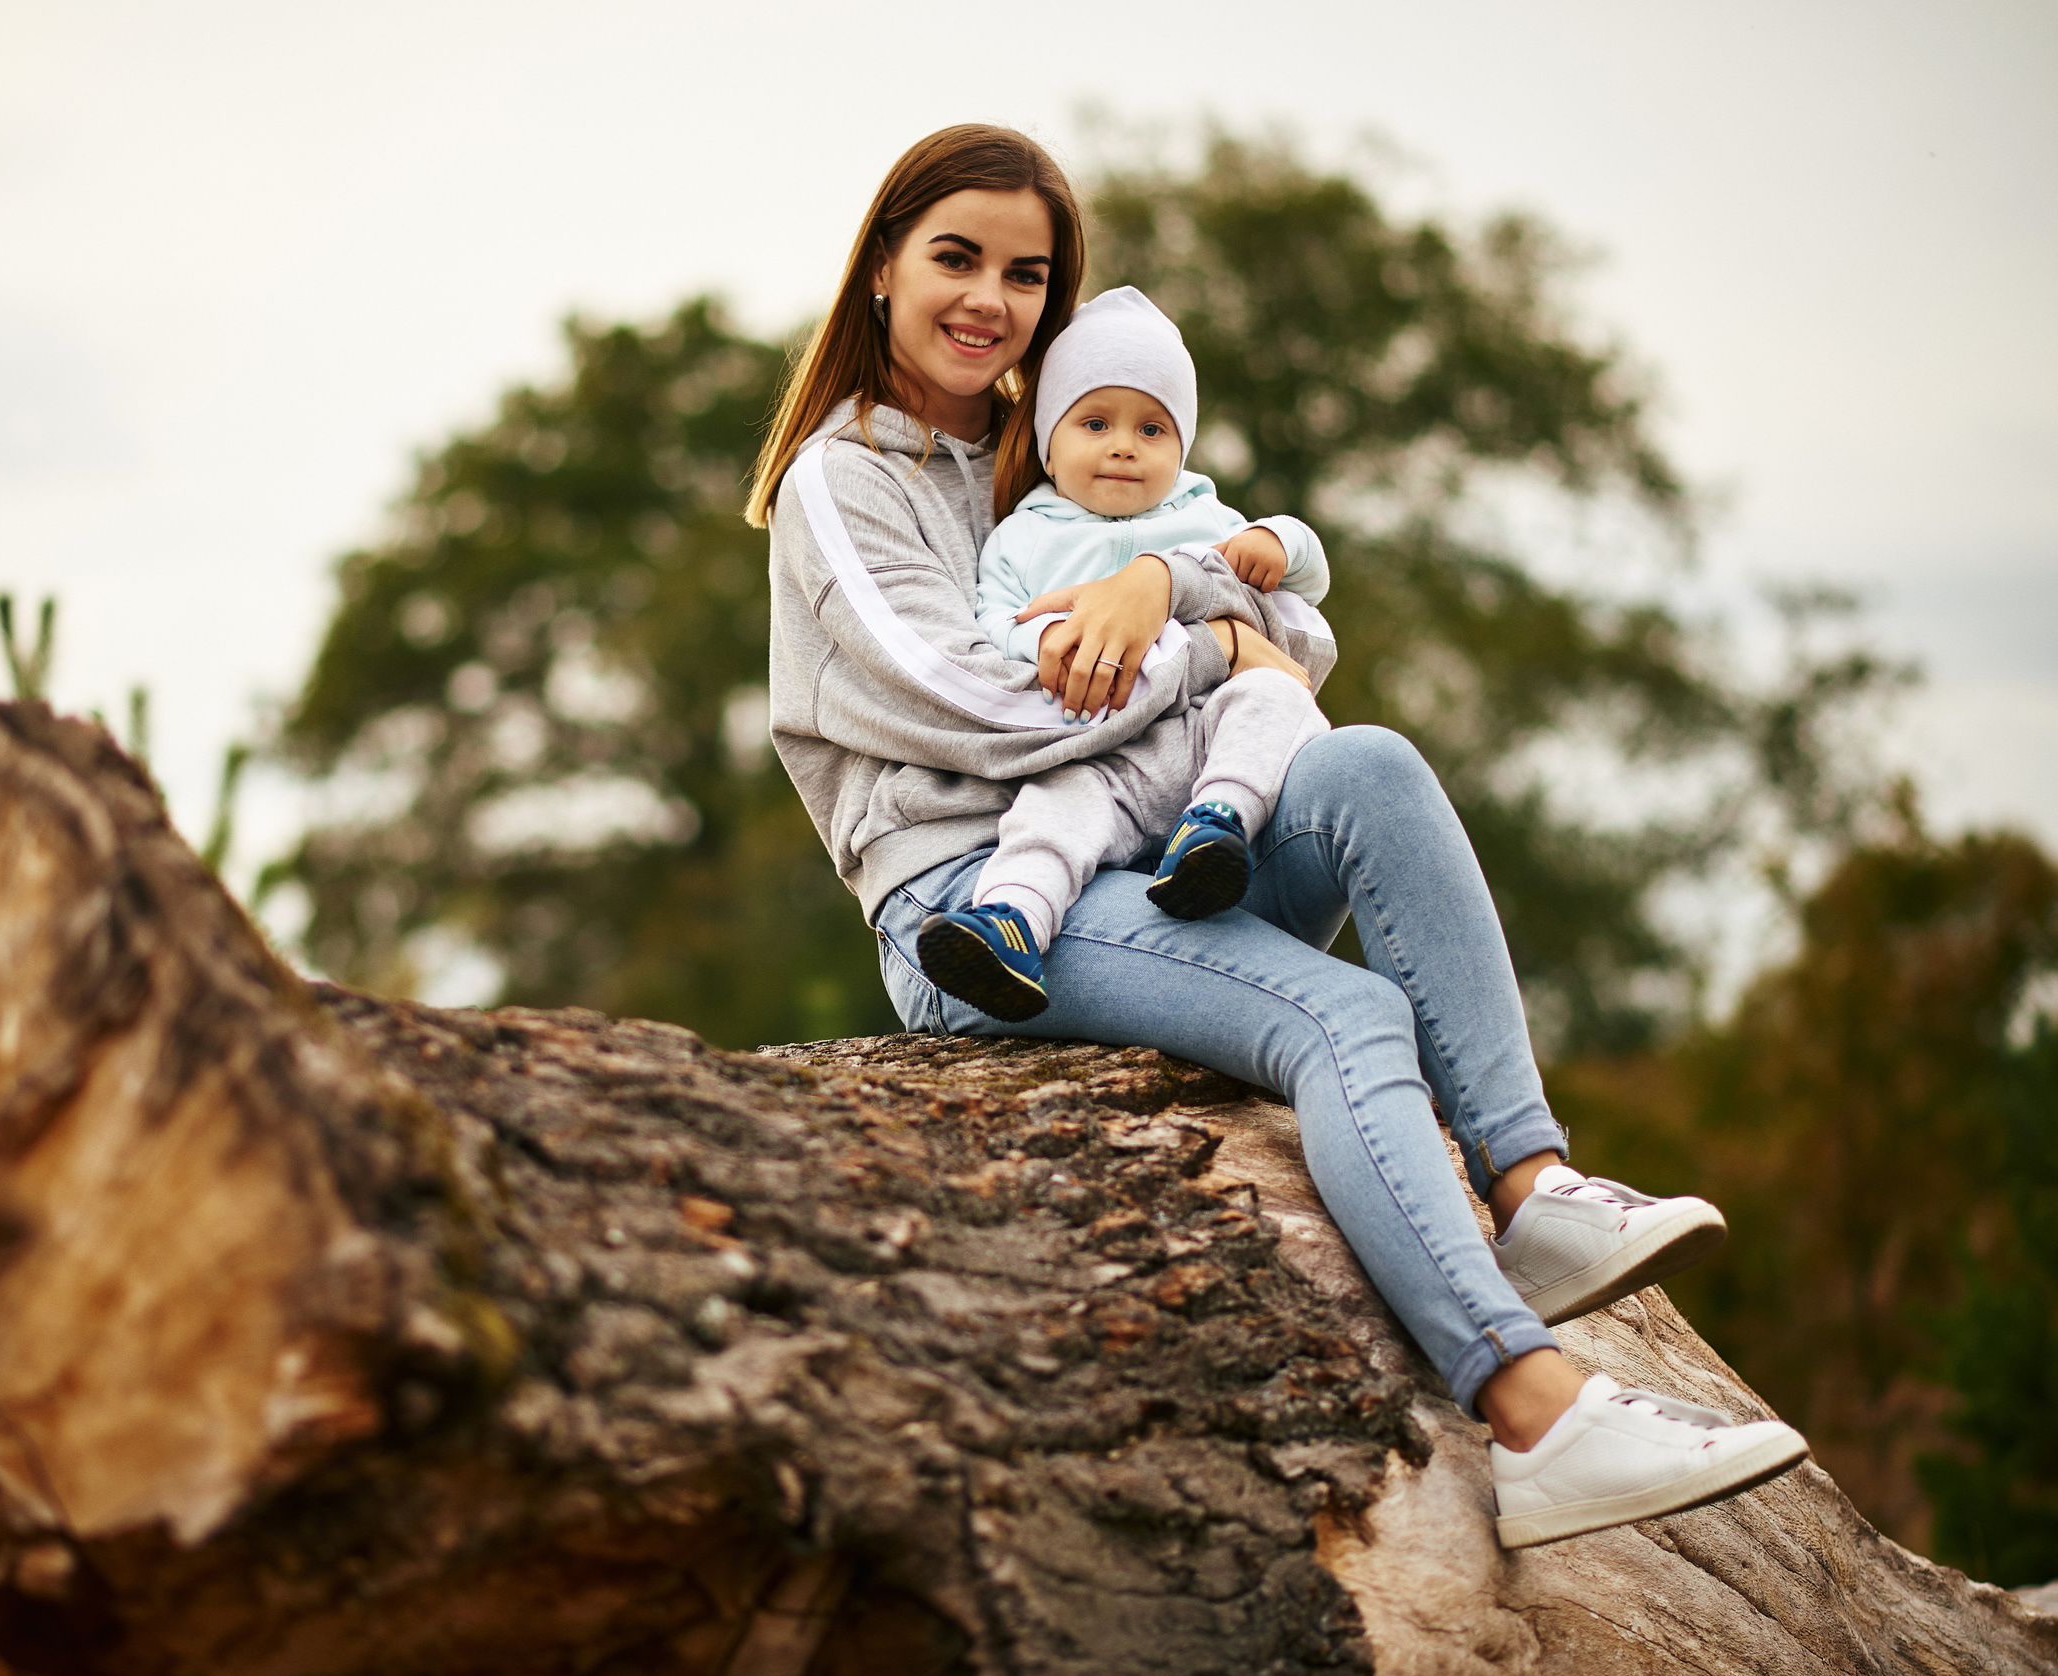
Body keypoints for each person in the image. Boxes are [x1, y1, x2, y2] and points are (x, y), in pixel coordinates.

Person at [743, 122, 1809, 1548]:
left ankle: (1532, 1181)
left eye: (1027, 273)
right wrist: (1202, 644)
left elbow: (1296, 642)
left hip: (1168, 844)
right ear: (882, 266)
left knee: (1368, 760)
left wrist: (1171, 586)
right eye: (956, 257)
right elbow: (974, 706)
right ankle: (1537, 1411)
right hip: (983, 906)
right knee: (1345, 1013)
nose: (989, 298)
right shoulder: (843, 481)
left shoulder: (1065, 439)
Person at [916, 283, 1338, 1023]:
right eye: (1096, 423)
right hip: (1105, 754)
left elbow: (1308, 582)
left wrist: (1277, 540)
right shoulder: (1023, 536)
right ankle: (1010, 921)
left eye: (1152, 429)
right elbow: (997, 623)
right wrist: (1050, 639)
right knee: (1052, 809)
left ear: (1181, 449)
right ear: (1049, 442)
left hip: (1206, 737)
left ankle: (1217, 828)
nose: (1123, 445)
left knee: (1276, 697)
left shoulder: (1207, 516)